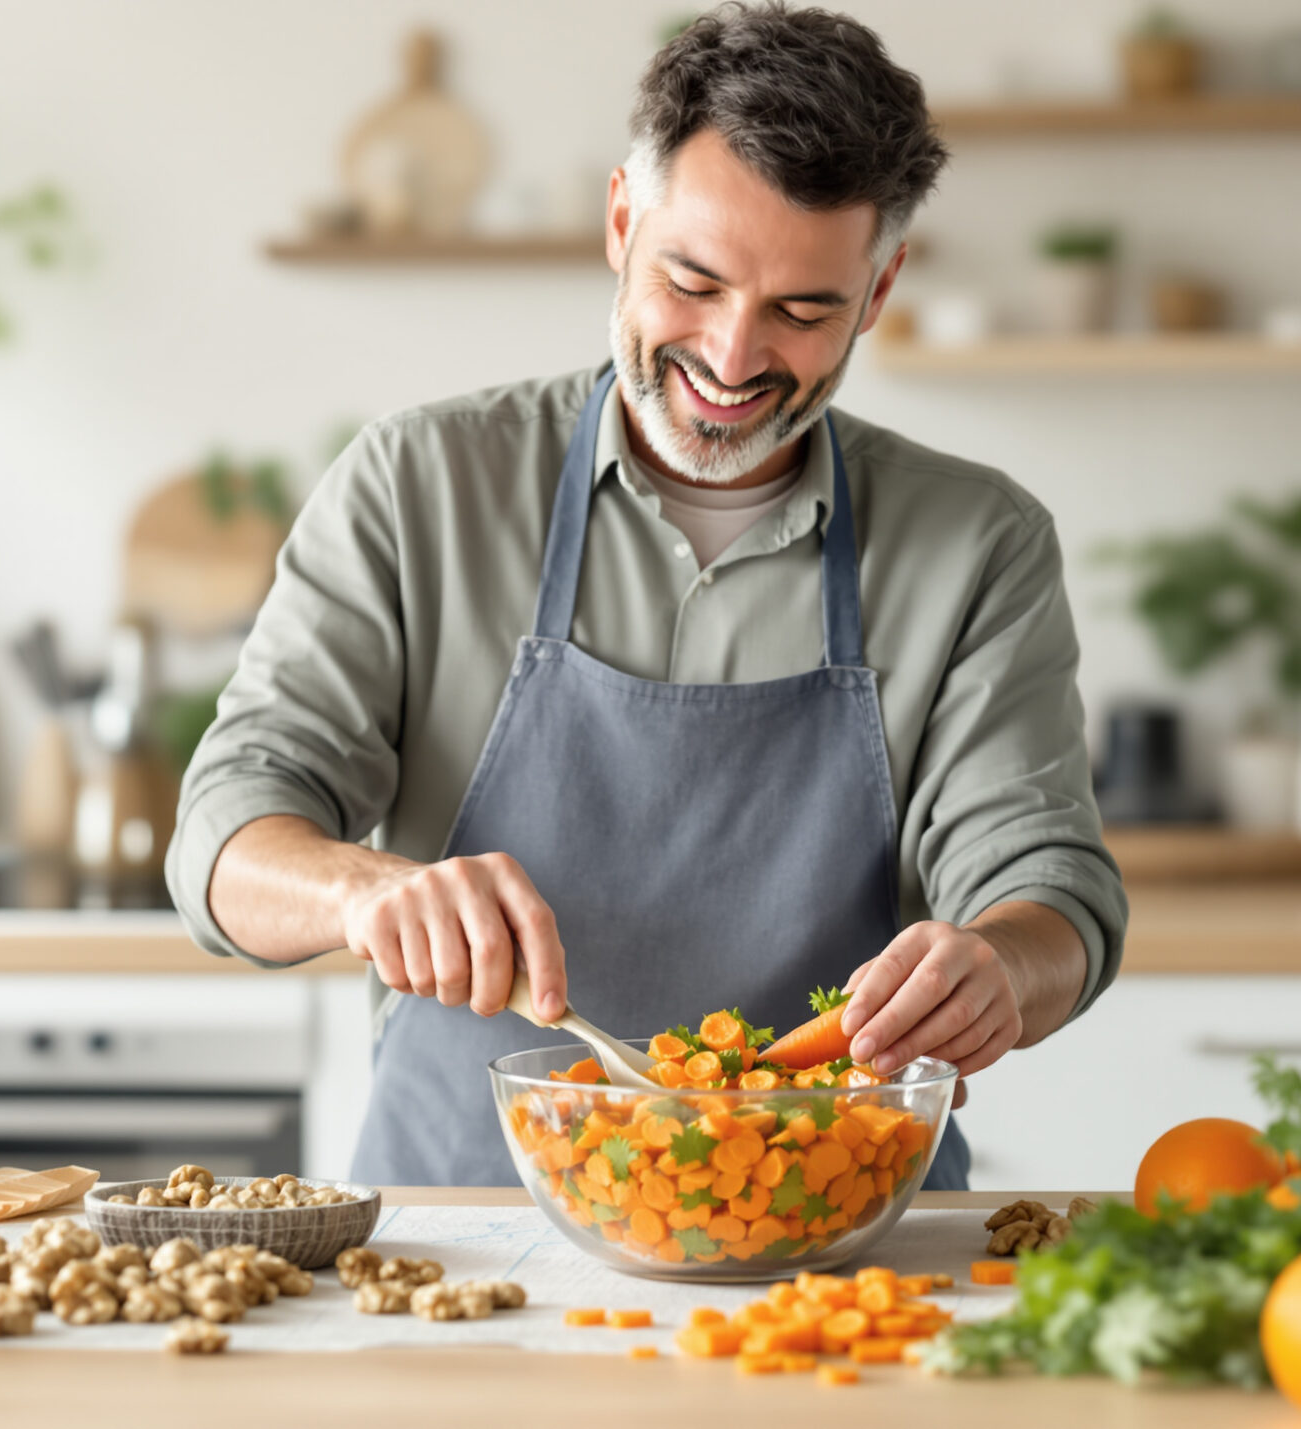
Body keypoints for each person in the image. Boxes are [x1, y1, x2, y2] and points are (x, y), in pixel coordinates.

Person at [165, 2, 1126, 1187]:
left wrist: (999, 966)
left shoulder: (975, 542)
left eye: (803, 310)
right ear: (623, 222)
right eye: (693, 281)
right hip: (468, 1240)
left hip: (836, 1236)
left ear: (878, 292)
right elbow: (223, 837)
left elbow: (1051, 887)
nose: (731, 358)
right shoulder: (420, 483)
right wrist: (367, 891)